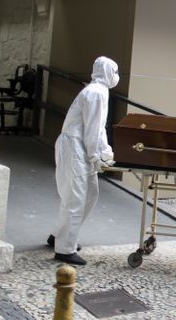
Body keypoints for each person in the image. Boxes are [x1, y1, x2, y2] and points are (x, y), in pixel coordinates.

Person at [48, 56, 119, 265]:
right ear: (106, 72)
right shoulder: (96, 93)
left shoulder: (98, 91)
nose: (116, 77)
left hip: (78, 148)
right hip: (75, 148)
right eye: (114, 71)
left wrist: (105, 153)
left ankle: (60, 236)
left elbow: (97, 129)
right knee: (76, 198)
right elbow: (93, 130)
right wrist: (97, 156)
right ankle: (64, 249)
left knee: (89, 195)